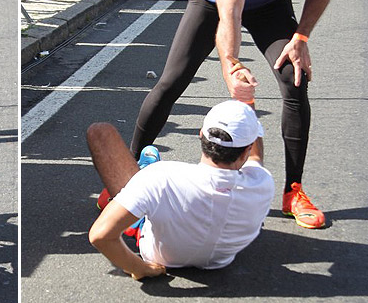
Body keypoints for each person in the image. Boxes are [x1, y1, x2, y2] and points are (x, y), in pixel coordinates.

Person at [130, 0, 341, 229]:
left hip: (269, 1)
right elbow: (230, 12)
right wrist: (230, 62)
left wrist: (301, 37)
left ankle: (293, 191)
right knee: (173, 80)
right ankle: (126, 175)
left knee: (295, 79)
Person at [89, 100, 273, 279]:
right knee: (149, 172)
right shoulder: (262, 182)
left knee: (101, 132)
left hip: (159, 255)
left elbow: (100, 236)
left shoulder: (161, 176)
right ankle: (136, 183)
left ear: (201, 134)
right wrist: (246, 99)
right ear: (246, 150)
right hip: (219, 260)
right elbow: (255, 158)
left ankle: (131, 194)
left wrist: (140, 268)